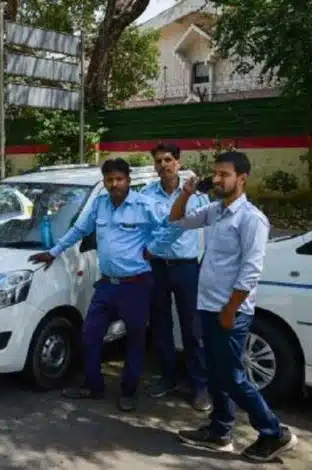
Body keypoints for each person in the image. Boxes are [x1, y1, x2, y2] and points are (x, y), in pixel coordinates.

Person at [170, 151, 297, 462]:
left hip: (231, 311)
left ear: (242, 178)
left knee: (233, 377)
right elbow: (176, 221)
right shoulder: (214, 211)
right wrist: (185, 194)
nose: (218, 179)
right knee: (215, 373)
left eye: (225, 174)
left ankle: (274, 433)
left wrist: (230, 309)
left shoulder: (251, 219)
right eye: (216, 173)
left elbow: (251, 270)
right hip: (209, 306)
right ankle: (220, 430)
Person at [28, 158, 181, 412]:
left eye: (119, 179)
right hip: (107, 285)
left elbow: (175, 224)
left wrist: (155, 249)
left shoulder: (144, 205)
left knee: (134, 339)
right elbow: (78, 230)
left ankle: (129, 392)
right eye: (109, 180)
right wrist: (53, 252)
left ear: (128, 181)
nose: (114, 184)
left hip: (136, 285)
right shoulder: (100, 205)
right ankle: (93, 386)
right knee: (90, 335)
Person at [141, 143, 211, 411]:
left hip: (186, 266)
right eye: (158, 161)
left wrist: (204, 262)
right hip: (157, 266)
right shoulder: (148, 195)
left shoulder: (196, 195)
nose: (163, 165)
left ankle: (199, 385)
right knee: (159, 324)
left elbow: (209, 228)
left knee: (192, 326)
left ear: (178, 163)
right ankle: (167, 377)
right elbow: (146, 228)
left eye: (168, 160)